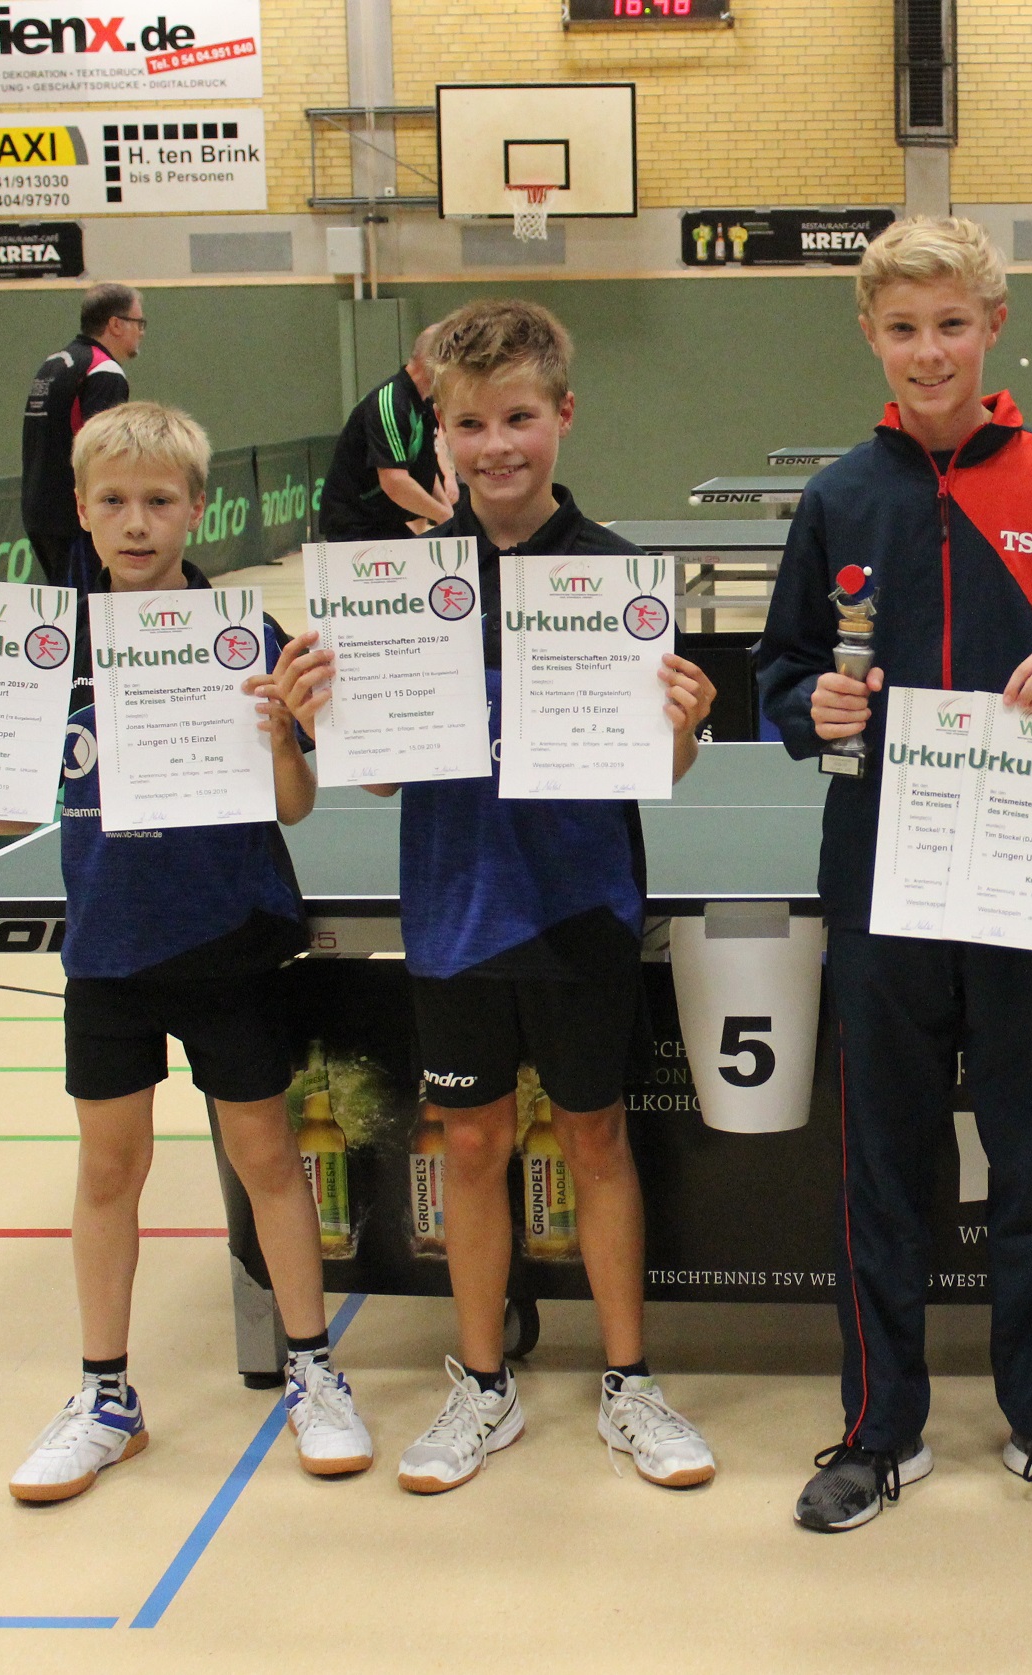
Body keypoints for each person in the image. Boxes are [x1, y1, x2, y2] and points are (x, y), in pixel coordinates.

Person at [0, 401, 374, 1501]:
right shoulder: (51, 648)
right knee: (108, 1170)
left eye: (158, 500)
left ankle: (312, 1368)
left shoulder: (244, 636)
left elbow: (292, 804)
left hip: (230, 936)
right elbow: (30, 803)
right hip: (107, 948)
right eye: (114, 501)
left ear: (198, 508)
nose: (137, 521)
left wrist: (277, 737)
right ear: (82, 511)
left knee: (266, 1159)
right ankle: (106, 1395)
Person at [276, 299, 720, 1497]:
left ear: (562, 415)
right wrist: (328, 714)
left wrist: (683, 724)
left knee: (595, 1136)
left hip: (580, 903)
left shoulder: (616, 574)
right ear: (440, 434)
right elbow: (380, 772)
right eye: (469, 424)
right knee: (469, 1140)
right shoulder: (406, 583)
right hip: (456, 903)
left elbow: (660, 769)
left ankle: (628, 1383)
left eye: (518, 417)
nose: (495, 445)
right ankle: (483, 1384)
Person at [752, 216, 1032, 1532]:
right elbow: (778, 670)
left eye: (950, 325)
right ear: (869, 336)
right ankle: (879, 1428)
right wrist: (806, 705)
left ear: (992, 325)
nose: (928, 351)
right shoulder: (836, 497)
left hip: (1031, 872)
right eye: (902, 329)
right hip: (881, 872)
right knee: (883, 1162)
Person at [22, 282, 145, 585]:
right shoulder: (103, 372)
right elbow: (105, 453)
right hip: (75, 518)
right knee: (85, 606)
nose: (141, 332)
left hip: (37, 509)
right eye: (138, 322)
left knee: (67, 602)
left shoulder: (55, 363)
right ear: (115, 324)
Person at [321, 325, 458, 540]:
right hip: (354, 523)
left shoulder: (424, 403)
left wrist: (448, 514)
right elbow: (394, 482)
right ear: (432, 361)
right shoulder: (391, 403)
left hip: (384, 521)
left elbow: (424, 469)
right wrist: (443, 516)